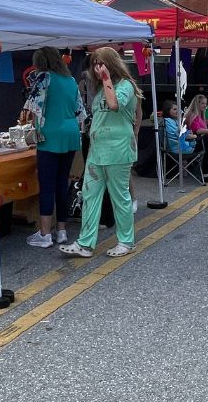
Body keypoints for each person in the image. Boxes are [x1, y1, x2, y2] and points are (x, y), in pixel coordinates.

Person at [59, 47, 141, 258]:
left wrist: (106, 79)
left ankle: (126, 241)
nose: (97, 68)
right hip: (98, 151)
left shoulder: (125, 86)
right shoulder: (99, 88)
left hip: (118, 151)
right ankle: (85, 243)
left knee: (119, 197)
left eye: (101, 63)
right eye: (94, 64)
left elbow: (114, 105)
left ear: (111, 63)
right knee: (90, 196)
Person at [22, 47, 85, 249]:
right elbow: (80, 111)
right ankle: (62, 231)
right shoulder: (71, 81)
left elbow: (33, 106)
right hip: (70, 133)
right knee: (62, 183)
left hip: (50, 134)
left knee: (47, 184)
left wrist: (35, 127)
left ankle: (45, 233)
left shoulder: (44, 78)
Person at [162, 100, 208, 179]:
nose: (177, 111)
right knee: (206, 143)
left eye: (178, 109)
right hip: (179, 148)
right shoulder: (168, 122)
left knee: (206, 143)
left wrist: (191, 135)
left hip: (181, 145)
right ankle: (205, 173)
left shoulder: (176, 120)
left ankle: (205, 171)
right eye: (174, 109)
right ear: (167, 111)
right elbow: (181, 135)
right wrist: (193, 136)